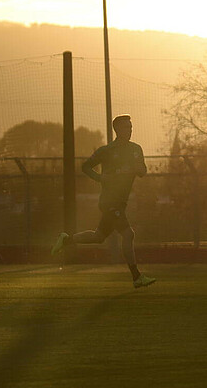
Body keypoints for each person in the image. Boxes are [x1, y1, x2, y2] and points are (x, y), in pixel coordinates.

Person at [51, 114, 155, 288]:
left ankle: (66, 240)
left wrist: (139, 168)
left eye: (130, 127)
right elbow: (85, 166)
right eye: (126, 127)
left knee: (99, 236)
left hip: (120, 202)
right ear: (117, 130)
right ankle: (136, 277)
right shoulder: (107, 150)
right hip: (109, 201)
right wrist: (100, 178)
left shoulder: (136, 149)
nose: (129, 130)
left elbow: (142, 172)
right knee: (128, 234)